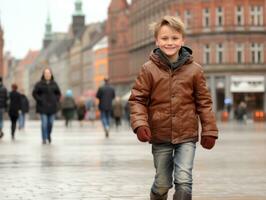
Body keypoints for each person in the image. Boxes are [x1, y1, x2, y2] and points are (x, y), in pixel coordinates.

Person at [128, 16, 218, 200]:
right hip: (159, 135)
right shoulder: (148, 69)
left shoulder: (195, 70)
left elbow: (204, 102)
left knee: (184, 181)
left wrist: (209, 130)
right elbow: (137, 99)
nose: (170, 42)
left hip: (186, 134)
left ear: (182, 40)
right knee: (162, 184)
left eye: (175, 38)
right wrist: (140, 124)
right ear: (157, 41)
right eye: (165, 38)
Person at [32, 67, 61, 144]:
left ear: (51, 74)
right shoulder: (39, 84)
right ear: (43, 74)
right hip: (42, 107)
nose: (47, 75)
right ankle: (44, 138)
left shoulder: (54, 84)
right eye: (46, 73)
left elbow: (58, 93)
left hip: (52, 107)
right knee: (44, 123)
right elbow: (34, 93)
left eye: (49, 73)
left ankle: (48, 135)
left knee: (50, 123)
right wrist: (40, 100)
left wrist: (56, 99)